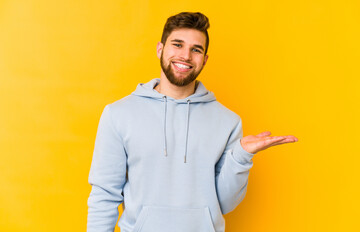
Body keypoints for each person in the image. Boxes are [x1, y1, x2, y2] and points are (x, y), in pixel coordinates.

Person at [87, 12, 298, 232]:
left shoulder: (228, 121)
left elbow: (225, 203)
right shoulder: (119, 114)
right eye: (177, 45)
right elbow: (104, 195)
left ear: (204, 59)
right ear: (160, 49)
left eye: (196, 49)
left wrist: (242, 156)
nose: (186, 55)